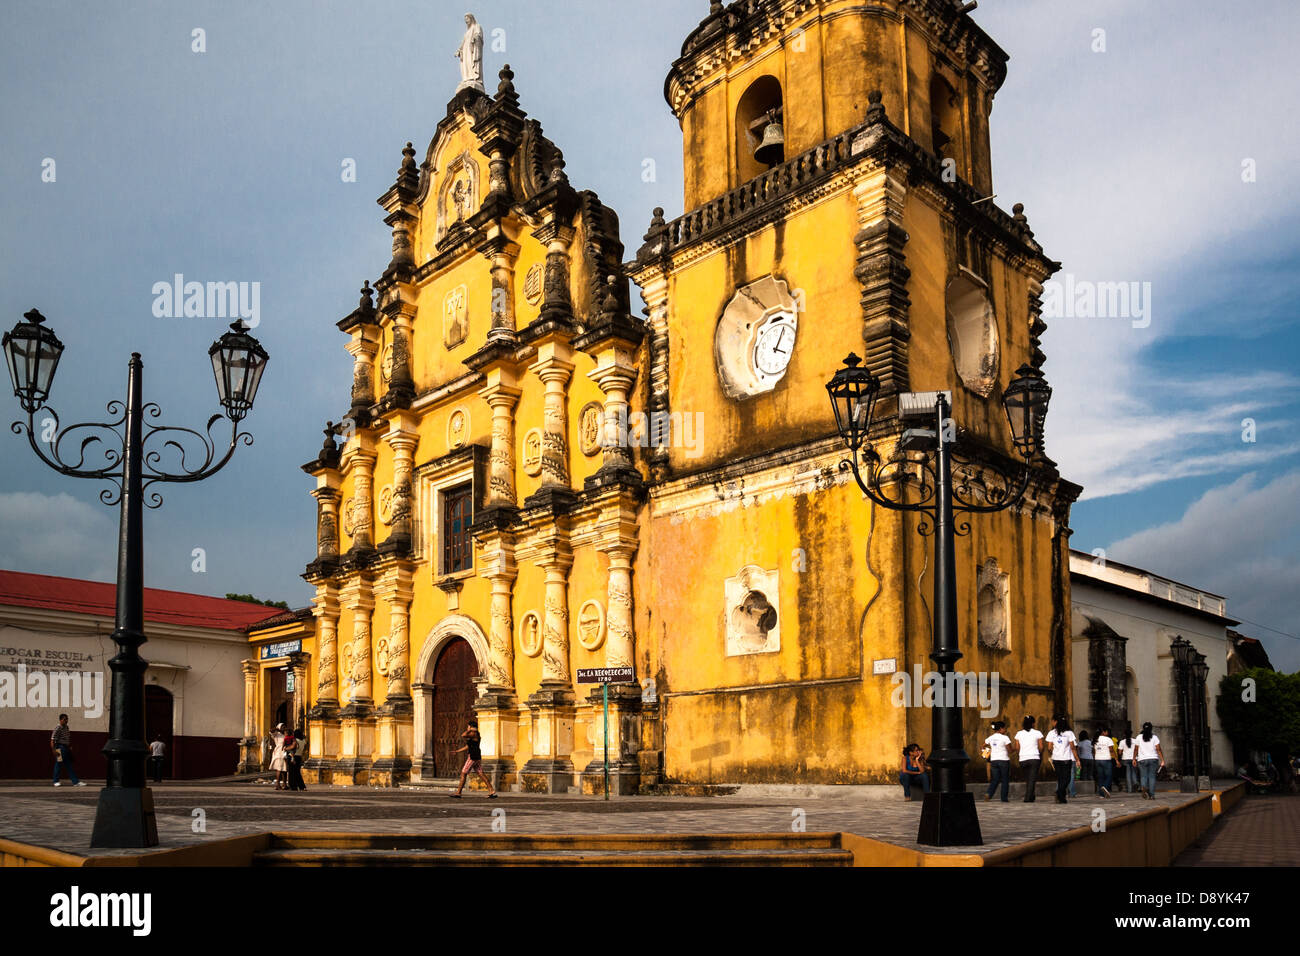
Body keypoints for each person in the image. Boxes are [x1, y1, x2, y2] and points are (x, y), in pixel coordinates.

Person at [451, 720, 497, 798]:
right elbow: (468, 746)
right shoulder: (475, 734)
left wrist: (469, 729)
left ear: (471, 727)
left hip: (472, 757)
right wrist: (457, 751)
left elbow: (463, 735)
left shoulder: (474, 733)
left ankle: (458, 792)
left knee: (463, 773)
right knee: (480, 773)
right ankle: (491, 790)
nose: (467, 728)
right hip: (476, 756)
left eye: (468, 726)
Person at [1045, 715, 1080, 804]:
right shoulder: (1069, 733)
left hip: (1056, 759)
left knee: (1060, 778)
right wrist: (1077, 759)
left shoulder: (1052, 733)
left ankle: (1061, 797)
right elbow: (1073, 748)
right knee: (1067, 778)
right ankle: (1059, 793)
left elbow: (1049, 747)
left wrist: (1056, 751)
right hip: (1066, 759)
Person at [50, 713, 86, 787]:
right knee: (58, 764)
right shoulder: (58, 728)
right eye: (64, 719)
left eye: (67, 719)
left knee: (69, 765)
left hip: (65, 748)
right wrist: (53, 750)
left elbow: (67, 738)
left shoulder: (66, 727)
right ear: (60, 720)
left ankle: (75, 782)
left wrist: (69, 746)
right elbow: (52, 740)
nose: (66, 721)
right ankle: (55, 781)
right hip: (59, 747)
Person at [1014, 716, 1044, 802]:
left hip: (1023, 758)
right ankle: (1027, 798)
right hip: (1034, 758)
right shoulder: (1037, 733)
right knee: (1032, 779)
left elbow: (1017, 748)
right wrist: (1039, 753)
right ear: (1033, 724)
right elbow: (1041, 747)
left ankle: (1031, 796)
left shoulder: (1019, 734)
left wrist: (1021, 754)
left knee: (1028, 779)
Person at [1134, 722, 1164, 799]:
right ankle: (1152, 795)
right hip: (1153, 759)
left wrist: (1134, 759)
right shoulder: (1155, 737)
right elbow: (1158, 749)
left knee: (1143, 776)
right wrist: (1162, 760)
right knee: (1152, 777)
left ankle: (1144, 789)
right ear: (1151, 729)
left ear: (1143, 729)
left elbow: (1136, 749)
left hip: (1142, 760)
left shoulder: (1138, 737)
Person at [984, 721, 1012, 802]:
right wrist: (1015, 749)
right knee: (1005, 779)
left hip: (994, 761)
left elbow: (983, 745)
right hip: (1004, 760)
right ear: (1000, 729)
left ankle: (988, 794)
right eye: (1004, 728)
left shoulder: (990, 737)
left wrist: (987, 754)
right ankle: (1004, 798)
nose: (1005, 730)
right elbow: (1009, 750)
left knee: (995, 779)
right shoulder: (1005, 738)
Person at [1092, 724, 1116, 797]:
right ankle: (1105, 787)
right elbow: (1111, 750)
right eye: (1107, 731)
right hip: (1106, 759)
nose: (1107, 733)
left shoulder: (1095, 739)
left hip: (1097, 759)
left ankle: (1101, 794)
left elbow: (1094, 751)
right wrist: (1116, 759)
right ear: (1104, 732)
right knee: (1109, 776)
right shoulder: (1108, 739)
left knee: (1101, 776)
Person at [286, 727, 308, 792]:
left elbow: (293, 747)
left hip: (293, 757)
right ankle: (302, 786)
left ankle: (293, 786)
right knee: (297, 772)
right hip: (299, 757)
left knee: (291, 772)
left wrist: (286, 748)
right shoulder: (303, 741)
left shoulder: (295, 740)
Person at [1118, 728, 1138, 793]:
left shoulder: (1122, 742)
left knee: (1128, 774)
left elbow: (1120, 753)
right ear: (1131, 734)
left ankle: (1129, 789)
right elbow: (1137, 749)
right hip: (1134, 759)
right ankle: (1135, 783)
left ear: (1124, 734)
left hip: (1125, 759)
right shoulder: (1135, 741)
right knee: (1134, 772)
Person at [269, 723, 288, 791]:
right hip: (279, 752)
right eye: (282, 727)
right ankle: (277, 784)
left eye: (284, 727)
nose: (284, 728)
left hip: (285, 752)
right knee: (279, 769)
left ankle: (285, 784)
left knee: (284, 769)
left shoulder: (285, 734)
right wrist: (278, 729)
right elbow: (271, 731)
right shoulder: (276, 734)